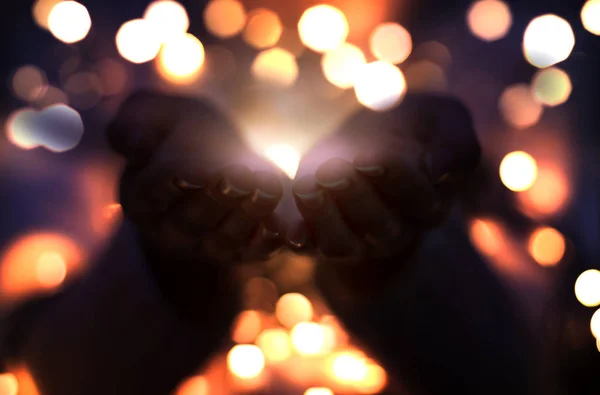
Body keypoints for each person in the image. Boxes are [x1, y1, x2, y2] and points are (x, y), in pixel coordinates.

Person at [0, 91, 535, 395]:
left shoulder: (486, 58)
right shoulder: (67, 96)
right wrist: (172, 265)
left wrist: (398, 259)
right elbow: (59, 376)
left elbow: (518, 372)